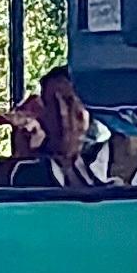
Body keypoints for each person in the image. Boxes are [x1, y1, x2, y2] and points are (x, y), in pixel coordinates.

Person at [6, 68, 122, 196]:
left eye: (68, 102)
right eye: (53, 104)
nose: (62, 113)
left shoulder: (111, 161)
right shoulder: (28, 173)